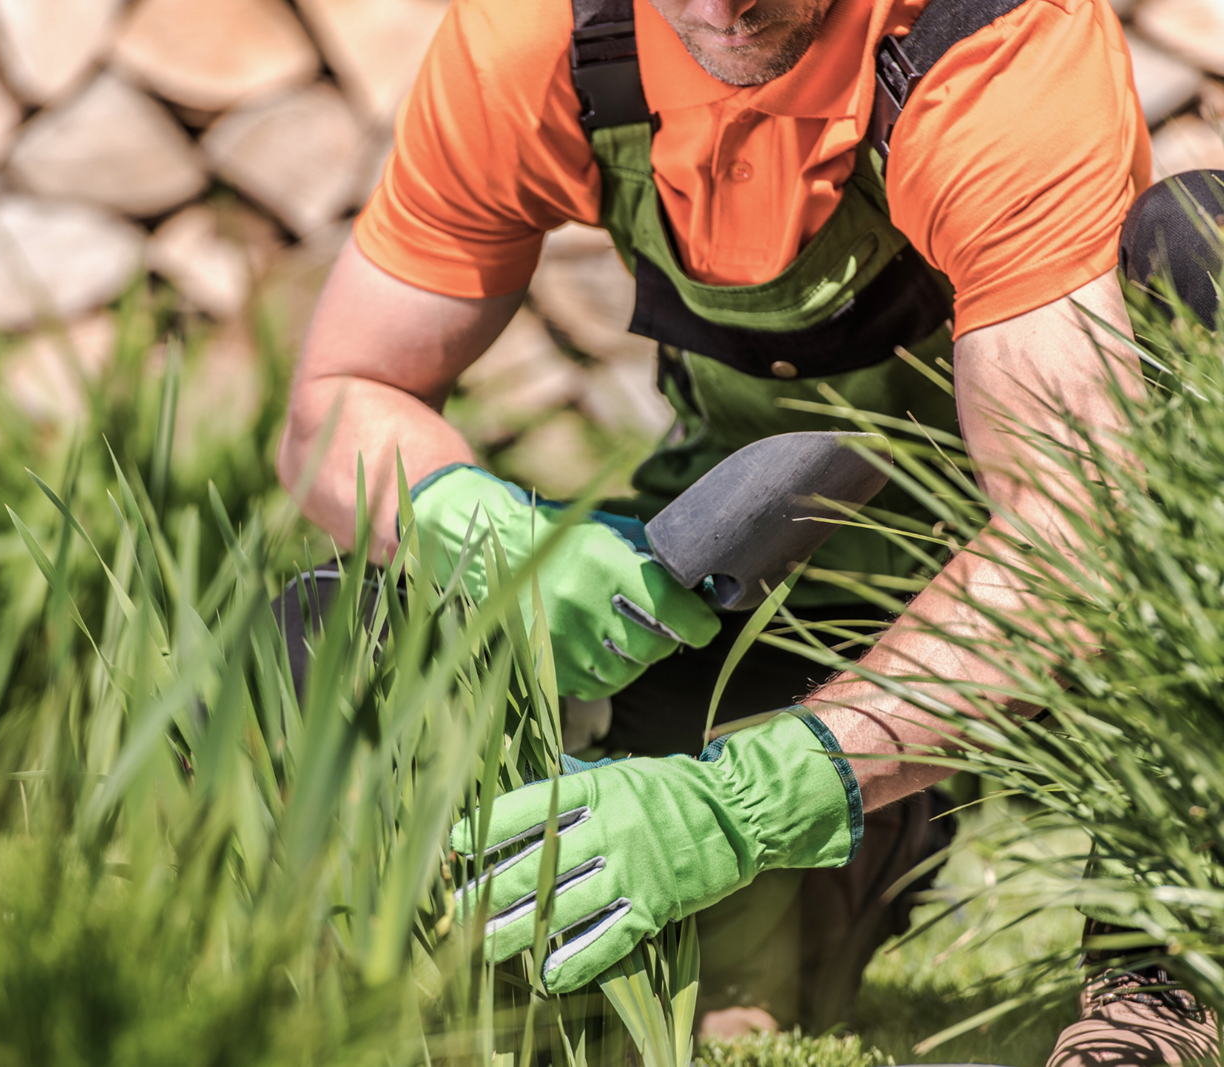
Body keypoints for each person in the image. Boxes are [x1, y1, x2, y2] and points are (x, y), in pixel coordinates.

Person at [274, 0, 1223, 1053]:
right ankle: (855, 849)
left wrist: (761, 797)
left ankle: (1163, 970)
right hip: (770, 611)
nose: (722, 7)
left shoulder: (991, 45)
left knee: (1206, 255)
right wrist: (493, 536)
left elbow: (1075, 527)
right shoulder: (537, 35)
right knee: (705, 1007)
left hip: (1085, 622)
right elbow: (334, 402)